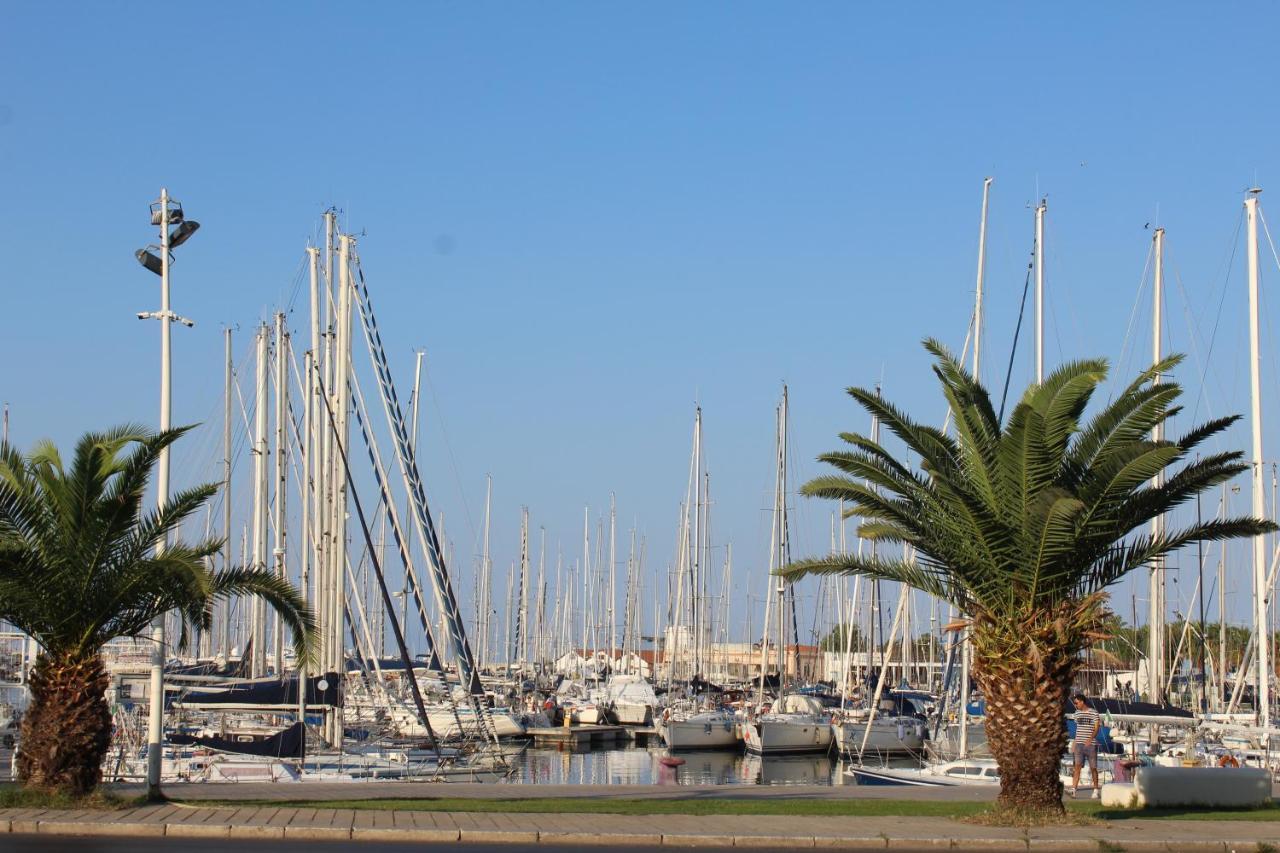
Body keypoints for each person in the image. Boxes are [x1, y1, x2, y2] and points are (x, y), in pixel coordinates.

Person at [1070, 692, 1101, 798]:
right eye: (1075, 703)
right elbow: (1077, 730)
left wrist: (1090, 739)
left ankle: (1096, 790)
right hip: (1079, 744)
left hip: (1091, 745)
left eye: (1076, 703)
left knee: (1093, 768)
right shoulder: (1077, 713)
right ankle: (1074, 789)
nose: (1075, 705)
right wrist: (1074, 743)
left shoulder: (1094, 713)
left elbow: (1097, 728)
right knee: (1077, 767)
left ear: (1082, 702)